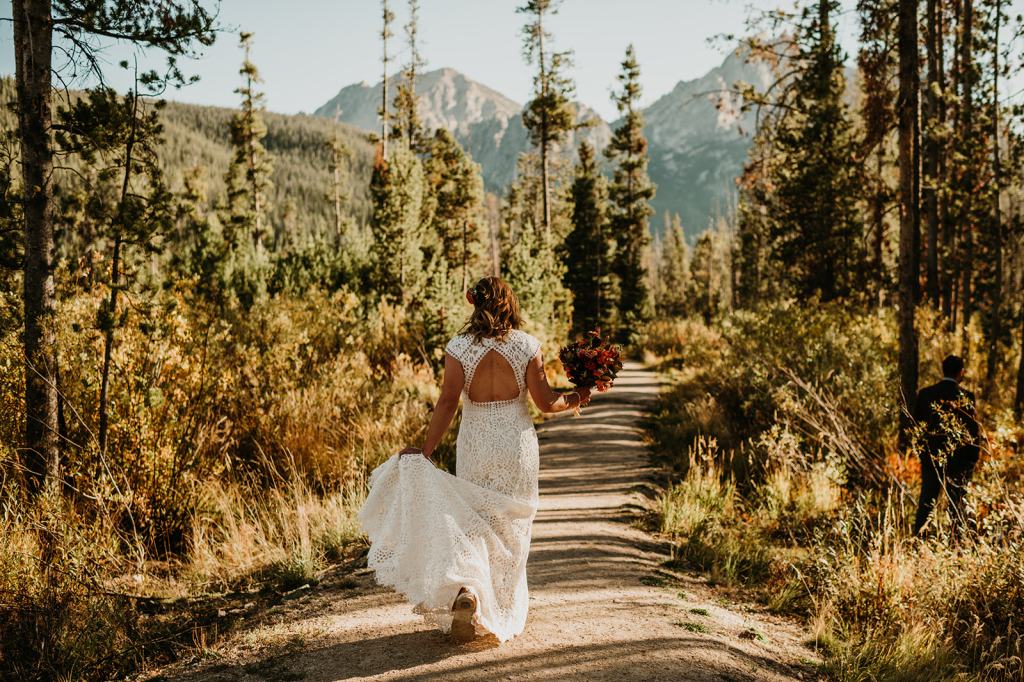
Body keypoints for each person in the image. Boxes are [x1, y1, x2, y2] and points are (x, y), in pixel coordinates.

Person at [358, 276, 593, 644]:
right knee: (512, 528)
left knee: (474, 522)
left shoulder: (459, 348)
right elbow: (547, 404)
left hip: (476, 445)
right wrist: (579, 394)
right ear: (509, 304)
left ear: (476, 304)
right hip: (516, 446)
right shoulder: (527, 346)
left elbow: (447, 402)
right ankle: (494, 605)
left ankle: (469, 589)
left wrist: (426, 451)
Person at [911, 354, 981, 538]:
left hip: (931, 459)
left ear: (943, 371)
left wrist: (923, 455)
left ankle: (918, 541)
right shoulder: (966, 397)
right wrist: (972, 460)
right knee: (957, 504)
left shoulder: (925, 394)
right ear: (961, 372)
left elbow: (916, 428)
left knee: (926, 503)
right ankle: (957, 542)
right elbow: (973, 433)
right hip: (959, 462)